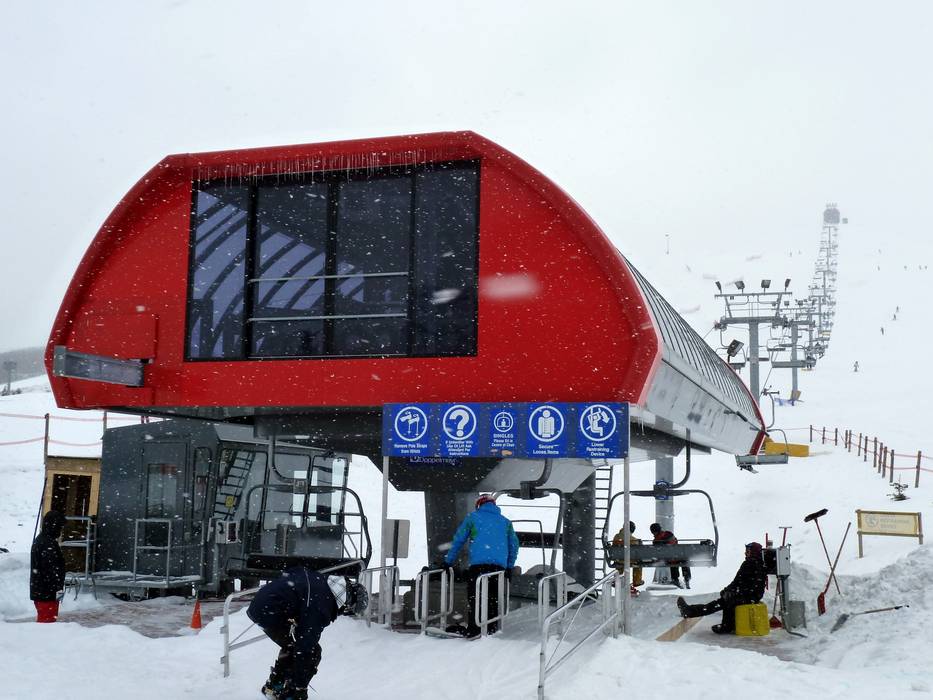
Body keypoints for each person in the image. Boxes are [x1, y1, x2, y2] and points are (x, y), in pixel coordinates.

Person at [247, 567, 368, 700]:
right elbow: (305, 647)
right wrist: (301, 688)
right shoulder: (322, 604)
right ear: (348, 601)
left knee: (294, 646)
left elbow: (294, 575)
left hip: (263, 603)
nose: (344, 612)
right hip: (269, 610)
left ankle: (274, 685)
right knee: (311, 652)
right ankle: (291, 694)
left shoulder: (323, 583)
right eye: (349, 609)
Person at [443, 493, 520, 637]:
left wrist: (448, 562)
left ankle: (474, 629)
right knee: (493, 598)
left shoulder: (472, 518)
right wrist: (509, 566)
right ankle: (491, 629)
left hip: (478, 567)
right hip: (498, 569)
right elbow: (514, 545)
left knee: (476, 598)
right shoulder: (505, 522)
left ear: (479, 505)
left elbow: (458, 540)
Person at [676, 542, 767, 634]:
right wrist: (728, 590)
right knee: (723, 601)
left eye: (748, 552)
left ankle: (726, 626)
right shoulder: (755, 564)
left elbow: (745, 585)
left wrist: (732, 592)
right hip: (748, 595)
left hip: (749, 596)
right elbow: (739, 582)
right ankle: (691, 611)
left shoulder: (752, 565)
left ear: (753, 553)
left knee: (726, 602)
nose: (745, 553)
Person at [30, 510, 66, 623]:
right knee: (46, 625)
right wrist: (57, 587)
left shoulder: (44, 540)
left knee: (47, 623)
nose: (61, 530)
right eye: (60, 527)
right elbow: (50, 569)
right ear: (54, 526)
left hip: (44, 591)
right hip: (46, 593)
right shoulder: (47, 543)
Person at [650, 522, 691, 589]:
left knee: (672, 561)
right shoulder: (669, 534)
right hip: (678, 556)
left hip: (669, 559)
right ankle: (687, 578)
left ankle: (675, 579)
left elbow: (657, 552)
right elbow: (675, 542)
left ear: (653, 532)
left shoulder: (655, 541)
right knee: (682, 559)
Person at [612, 521, 643, 591]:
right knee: (638, 564)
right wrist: (639, 542)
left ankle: (616, 579)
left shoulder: (617, 536)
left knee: (619, 565)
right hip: (630, 559)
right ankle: (637, 581)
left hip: (618, 559)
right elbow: (635, 543)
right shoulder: (630, 538)